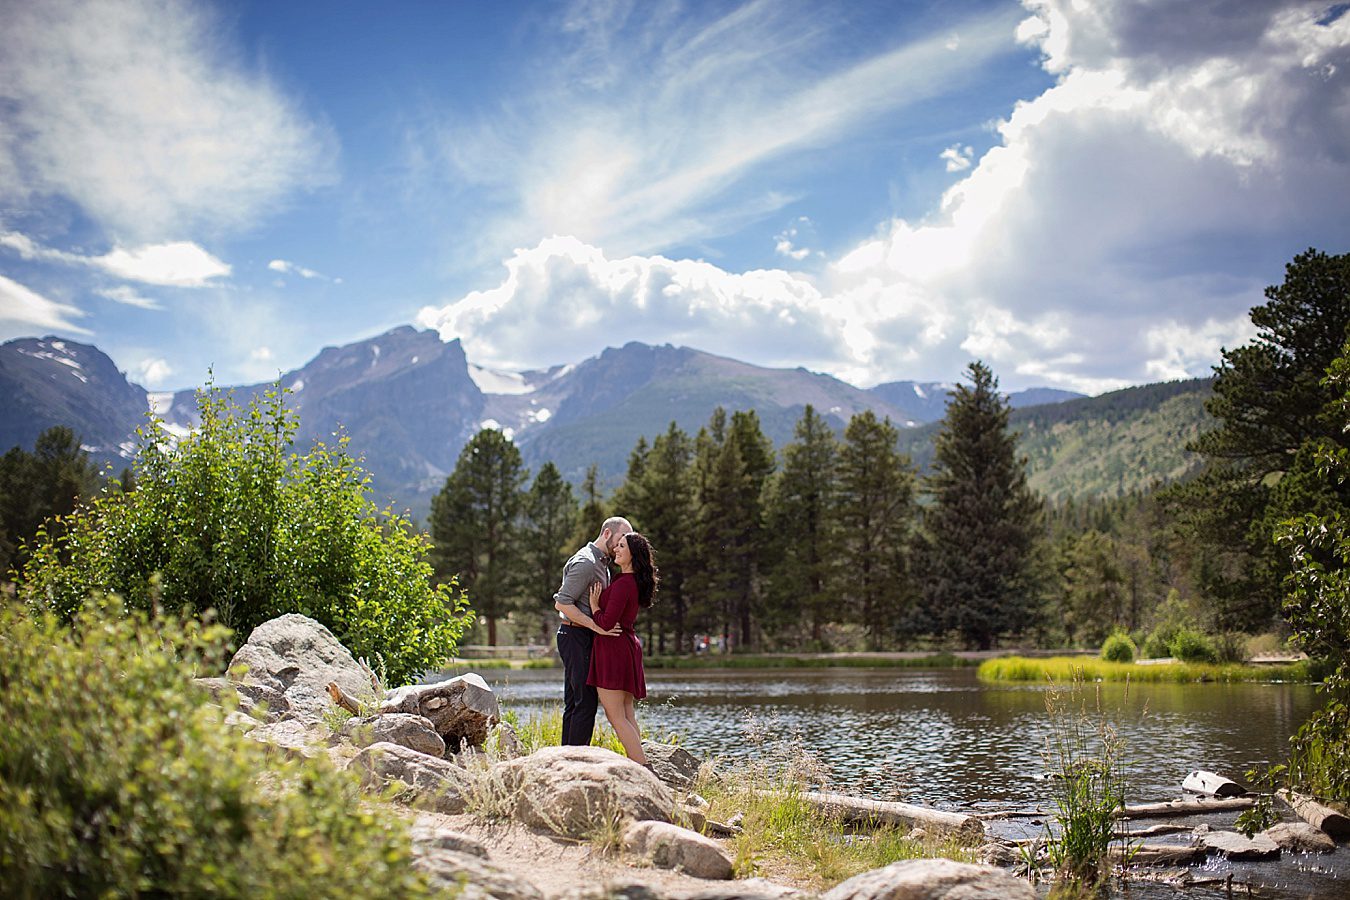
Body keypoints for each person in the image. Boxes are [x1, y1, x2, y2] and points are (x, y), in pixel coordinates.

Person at [553, 516, 632, 746]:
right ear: (606, 533)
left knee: (576, 702)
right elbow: (562, 603)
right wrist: (595, 626)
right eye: (619, 539)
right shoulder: (586, 563)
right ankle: (577, 761)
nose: (620, 546)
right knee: (585, 703)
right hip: (575, 635)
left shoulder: (602, 564)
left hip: (582, 635)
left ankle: (566, 757)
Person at [586, 531, 658, 764]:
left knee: (616, 715)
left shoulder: (623, 584)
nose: (616, 549)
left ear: (632, 554)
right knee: (626, 713)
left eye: (621, 546)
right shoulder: (625, 581)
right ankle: (641, 762)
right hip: (624, 647)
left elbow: (606, 623)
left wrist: (594, 606)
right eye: (616, 545)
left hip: (614, 649)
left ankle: (643, 767)